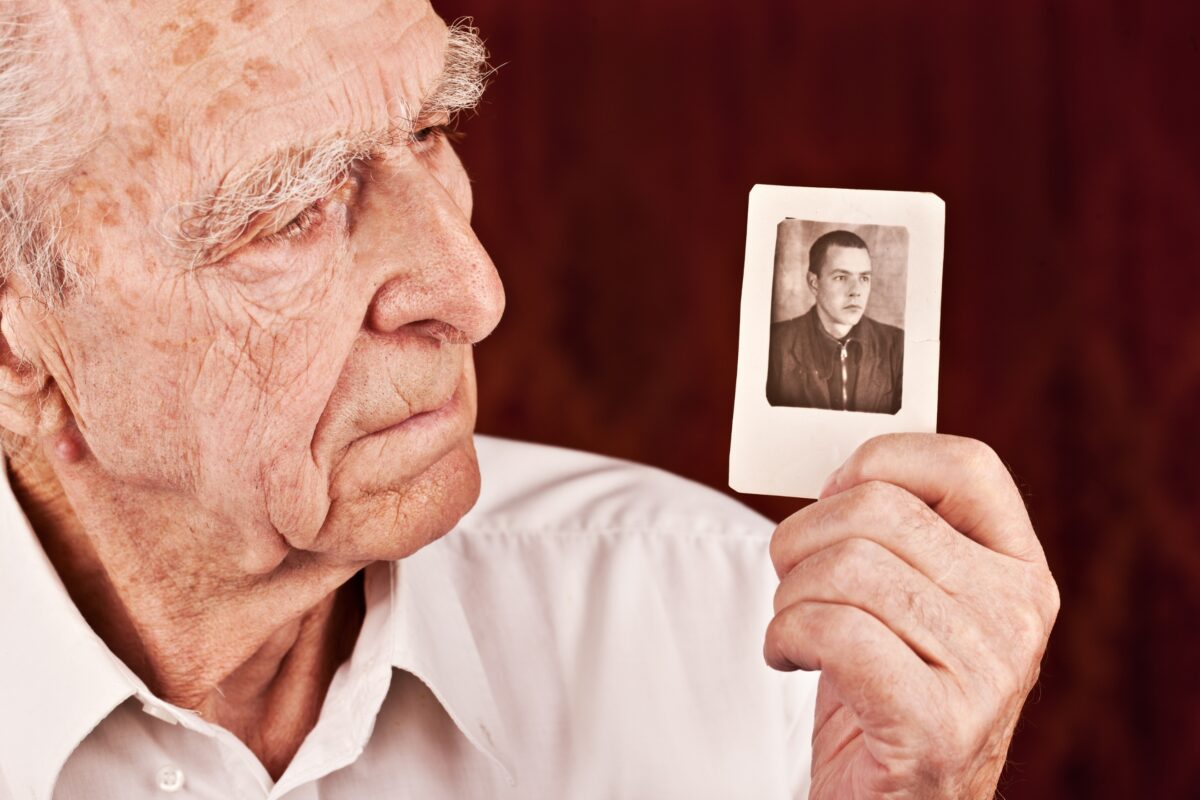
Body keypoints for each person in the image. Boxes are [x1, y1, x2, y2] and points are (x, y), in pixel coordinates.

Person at [0, 2, 1058, 798]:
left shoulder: (747, 633)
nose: (474, 290)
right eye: (289, 213)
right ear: (17, 339)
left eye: (428, 130)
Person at [766, 230, 904, 413]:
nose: (856, 291)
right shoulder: (774, 344)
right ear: (814, 283)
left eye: (864, 278)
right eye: (841, 277)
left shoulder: (897, 346)